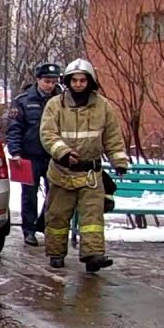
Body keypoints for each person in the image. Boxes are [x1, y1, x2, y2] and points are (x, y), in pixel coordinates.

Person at [39, 58, 130, 273]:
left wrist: (119, 161)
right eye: (75, 80)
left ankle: (93, 255)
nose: (79, 84)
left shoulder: (103, 106)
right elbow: (48, 134)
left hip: (91, 174)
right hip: (62, 172)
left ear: (90, 82)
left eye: (83, 80)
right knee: (58, 215)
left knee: (92, 218)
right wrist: (63, 152)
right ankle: (56, 253)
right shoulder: (55, 105)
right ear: (68, 81)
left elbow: (112, 136)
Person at [6, 63, 62, 246]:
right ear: (38, 80)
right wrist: (15, 152)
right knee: (28, 195)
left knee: (55, 194)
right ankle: (28, 230)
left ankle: (43, 224)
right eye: (46, 81)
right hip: (29, 155)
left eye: (53, 82)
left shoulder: (62, 100)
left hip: (54, 155)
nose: (50, 85)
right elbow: (15, 128)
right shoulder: (23, 100)